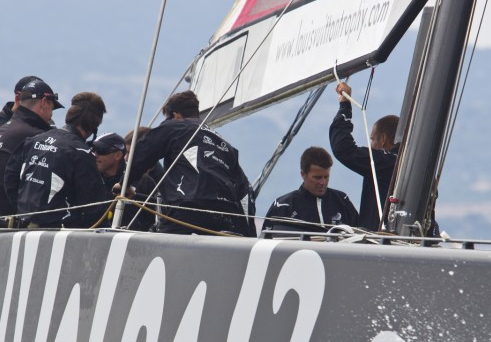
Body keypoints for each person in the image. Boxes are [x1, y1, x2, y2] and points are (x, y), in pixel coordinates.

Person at [128, 90, 256, 236]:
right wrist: (248, 236)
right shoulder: (226, 146)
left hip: (188, 209)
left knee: (159, 244)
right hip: (226, 216)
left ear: (176, 116)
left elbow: (143, 151)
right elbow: (245, 192)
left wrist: (124, 183)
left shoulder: (176, 126)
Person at [6, 92, 108, 228]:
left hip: (23, 225)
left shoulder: (34, 140)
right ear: (94, 126)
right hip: (57, 231)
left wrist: (23, 212)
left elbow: (10, 178)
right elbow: (94, 206)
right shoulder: (81, 153)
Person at [0, 78, 62, 217]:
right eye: (52, 108)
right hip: (10, 220)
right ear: (43, 102)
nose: (51, 114)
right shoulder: (35, 135)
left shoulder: (4, 128)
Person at [329, 82, 398, 232]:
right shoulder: (414, 163)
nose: (371, 144)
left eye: (372, 139)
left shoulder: (386, 162)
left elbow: (343, 148)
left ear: (383, 139)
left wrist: (345, 106)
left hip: (381, 240)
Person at [263, 146, 358, 232]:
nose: (323, 182)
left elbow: (360, 234)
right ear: (303, 174)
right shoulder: (282, 205)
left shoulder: (342, 200)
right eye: (317, 177)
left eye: (326, 177)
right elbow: (266, 241)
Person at [92, 132, 156, 231]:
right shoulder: (89, 178)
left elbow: (155, 216)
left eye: (101, 150)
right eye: (93, 150)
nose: (95, 155)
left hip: (132, 237)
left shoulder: (143, 181)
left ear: (118, 155)